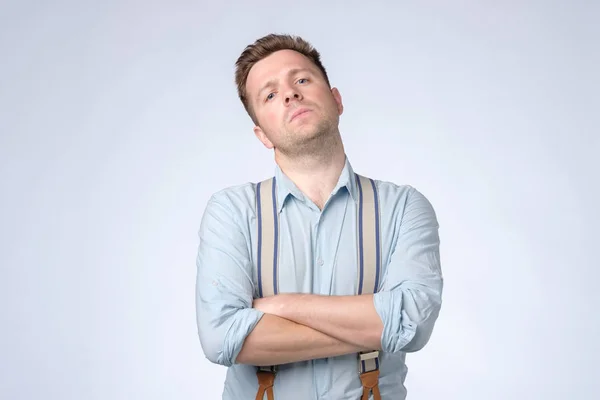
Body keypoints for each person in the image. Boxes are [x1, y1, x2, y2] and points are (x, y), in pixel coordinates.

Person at [195, 33, 443, 400]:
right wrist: (372, 325)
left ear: (336, 99)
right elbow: (221, 337)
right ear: (262, 134)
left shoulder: (404, 207)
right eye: (270, 94)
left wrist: (284, 306)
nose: (290, 94)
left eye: (301, 80)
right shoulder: (232, 212)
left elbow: (412, 323)